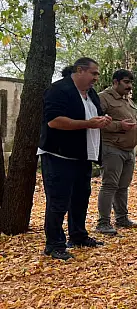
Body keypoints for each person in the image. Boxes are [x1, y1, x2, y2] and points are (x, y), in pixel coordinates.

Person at [38, 57, 113, 260]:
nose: (96, 78)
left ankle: (78, 236)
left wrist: (103, 121)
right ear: (80, 70)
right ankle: (54, 244)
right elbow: (54, 121)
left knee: (80, 198)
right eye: (93, 73)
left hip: (83, 155)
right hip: (59, 155)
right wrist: (88, 123)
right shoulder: (59, 90)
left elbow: (93, 118)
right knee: (58, 201)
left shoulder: (91, 95)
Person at [95, 69, 137, 235]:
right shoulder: (103, 98)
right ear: (115, 82)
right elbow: (96, 121)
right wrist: (119, 126)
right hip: (112, 148)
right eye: (126, 82)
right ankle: (103, 223)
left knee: (123, 186)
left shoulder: (127, 100)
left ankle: (122, 218)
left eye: (131, 83)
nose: (129, 86)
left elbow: (128, 122)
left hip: (128, 149)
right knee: (109, 185)